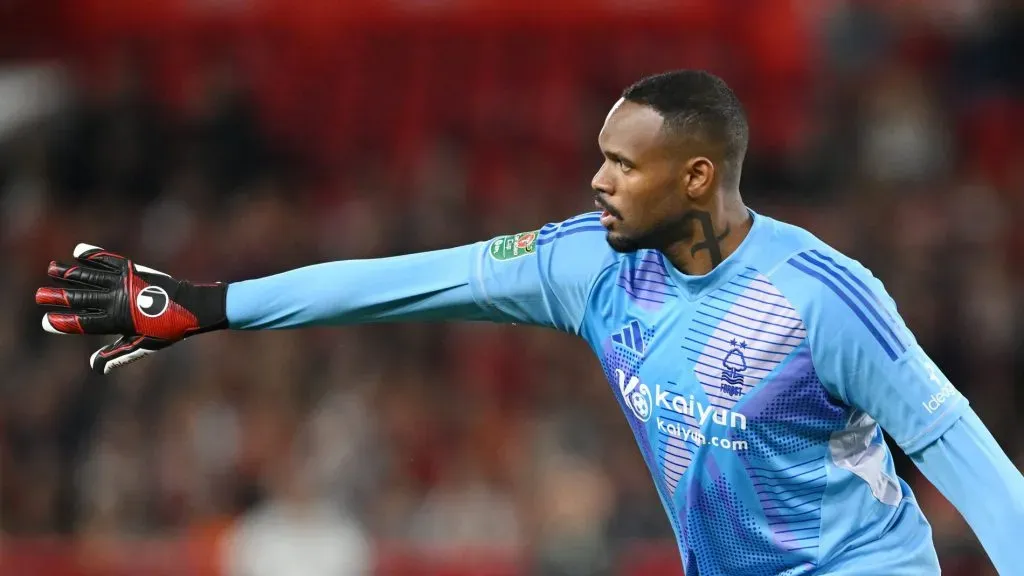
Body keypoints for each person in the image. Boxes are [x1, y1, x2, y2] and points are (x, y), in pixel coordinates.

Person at [35, 70, 1024, 575]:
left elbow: (954, 446)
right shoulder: (587, 268)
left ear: (695, 177)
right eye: (598, 156)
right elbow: (401, 282)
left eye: (621, 165)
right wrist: (207, 308)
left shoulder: (820, 296)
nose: (595, 180)